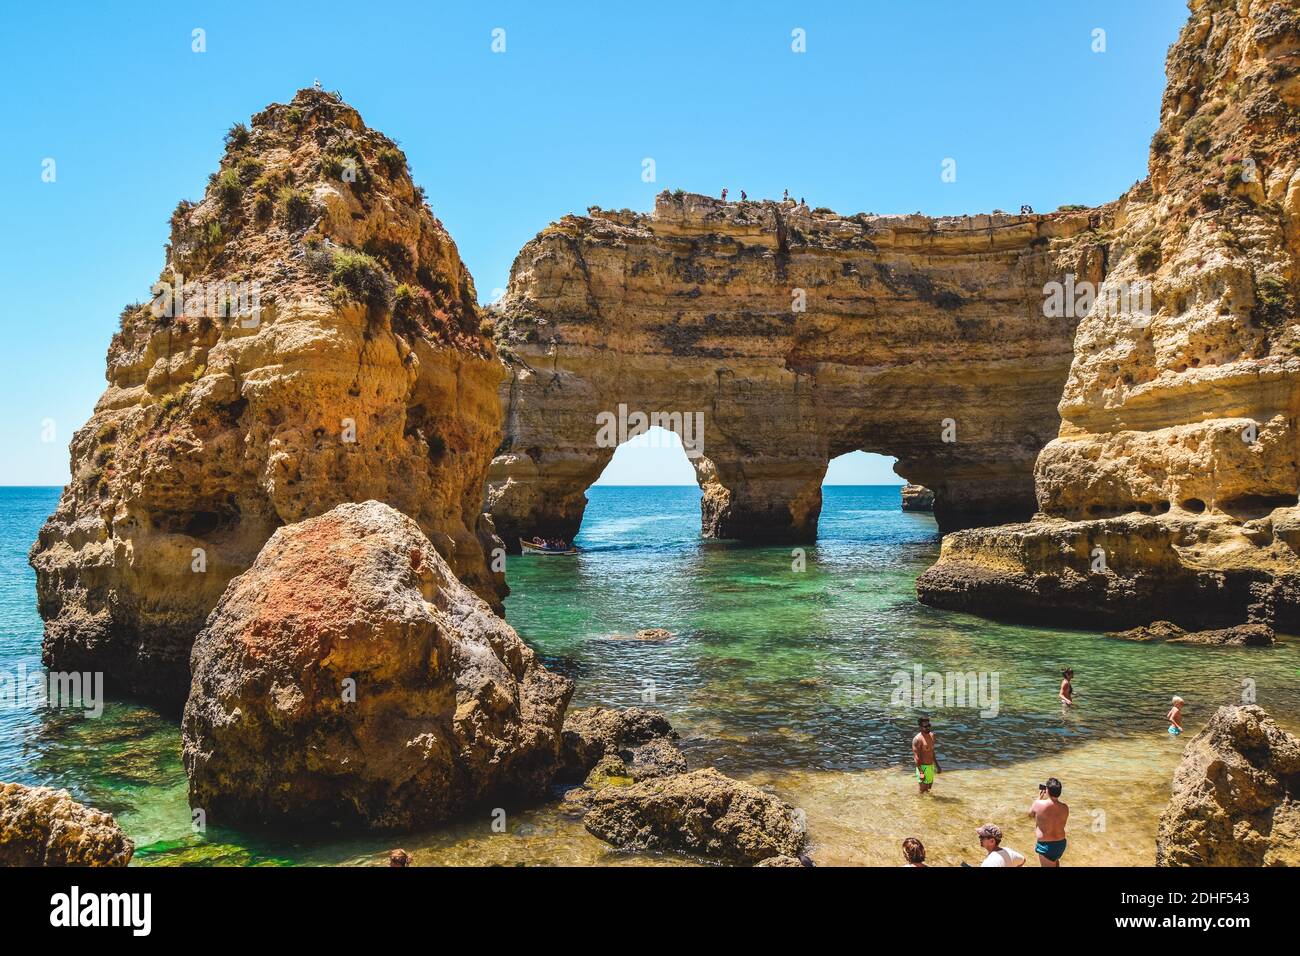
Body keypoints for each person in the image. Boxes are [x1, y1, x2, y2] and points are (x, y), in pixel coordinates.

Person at [1028, 777, 1069, 866]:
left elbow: (1030, 814)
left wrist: (1039, 797)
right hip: (1061, 844)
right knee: (1055, 863)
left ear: (1047, 790)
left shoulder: (1038, 803)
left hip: (1046, 846)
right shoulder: (1065, 807)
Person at [912, 716, 940, 793]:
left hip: (931, 766)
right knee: (922, 791)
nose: (928, 728)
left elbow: (932, 752)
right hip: (922, 768)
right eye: (925, 726)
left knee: (929, 789)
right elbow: (916, 757)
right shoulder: (917, 739)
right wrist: (921, 773)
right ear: (920, 727)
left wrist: (937, 766)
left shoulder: (932, 736)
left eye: (929, 725)